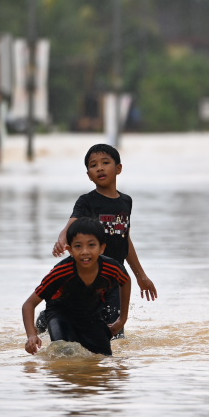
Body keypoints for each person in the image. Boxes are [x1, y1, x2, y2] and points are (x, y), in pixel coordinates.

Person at [51, 143, 158, 337]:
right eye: (93, 165)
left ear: (118, 168)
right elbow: (70, 227)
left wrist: (140, 275)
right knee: (72, 315)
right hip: (89, 273)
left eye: (105, 162)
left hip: (116, 277)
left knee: (114, 332)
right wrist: (61, 240)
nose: (99, 168)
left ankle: (111, 365)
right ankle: (46, 321)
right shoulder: (87, 201)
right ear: (89, 175)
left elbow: (125, 240)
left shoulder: (126, 202)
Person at [24, 218, 129, 357]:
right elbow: (29, 304)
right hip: (60, 313)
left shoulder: (111, 268)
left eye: (91, 245)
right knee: (65, 351)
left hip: (90, 315)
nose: (85, 251)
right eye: (78, 246)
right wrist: (31, 335)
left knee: (104, 357)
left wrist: (122, 320)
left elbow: (126, 281)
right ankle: (45, 319)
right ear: (70, 250)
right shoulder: (61, 272)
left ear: (102, 248)